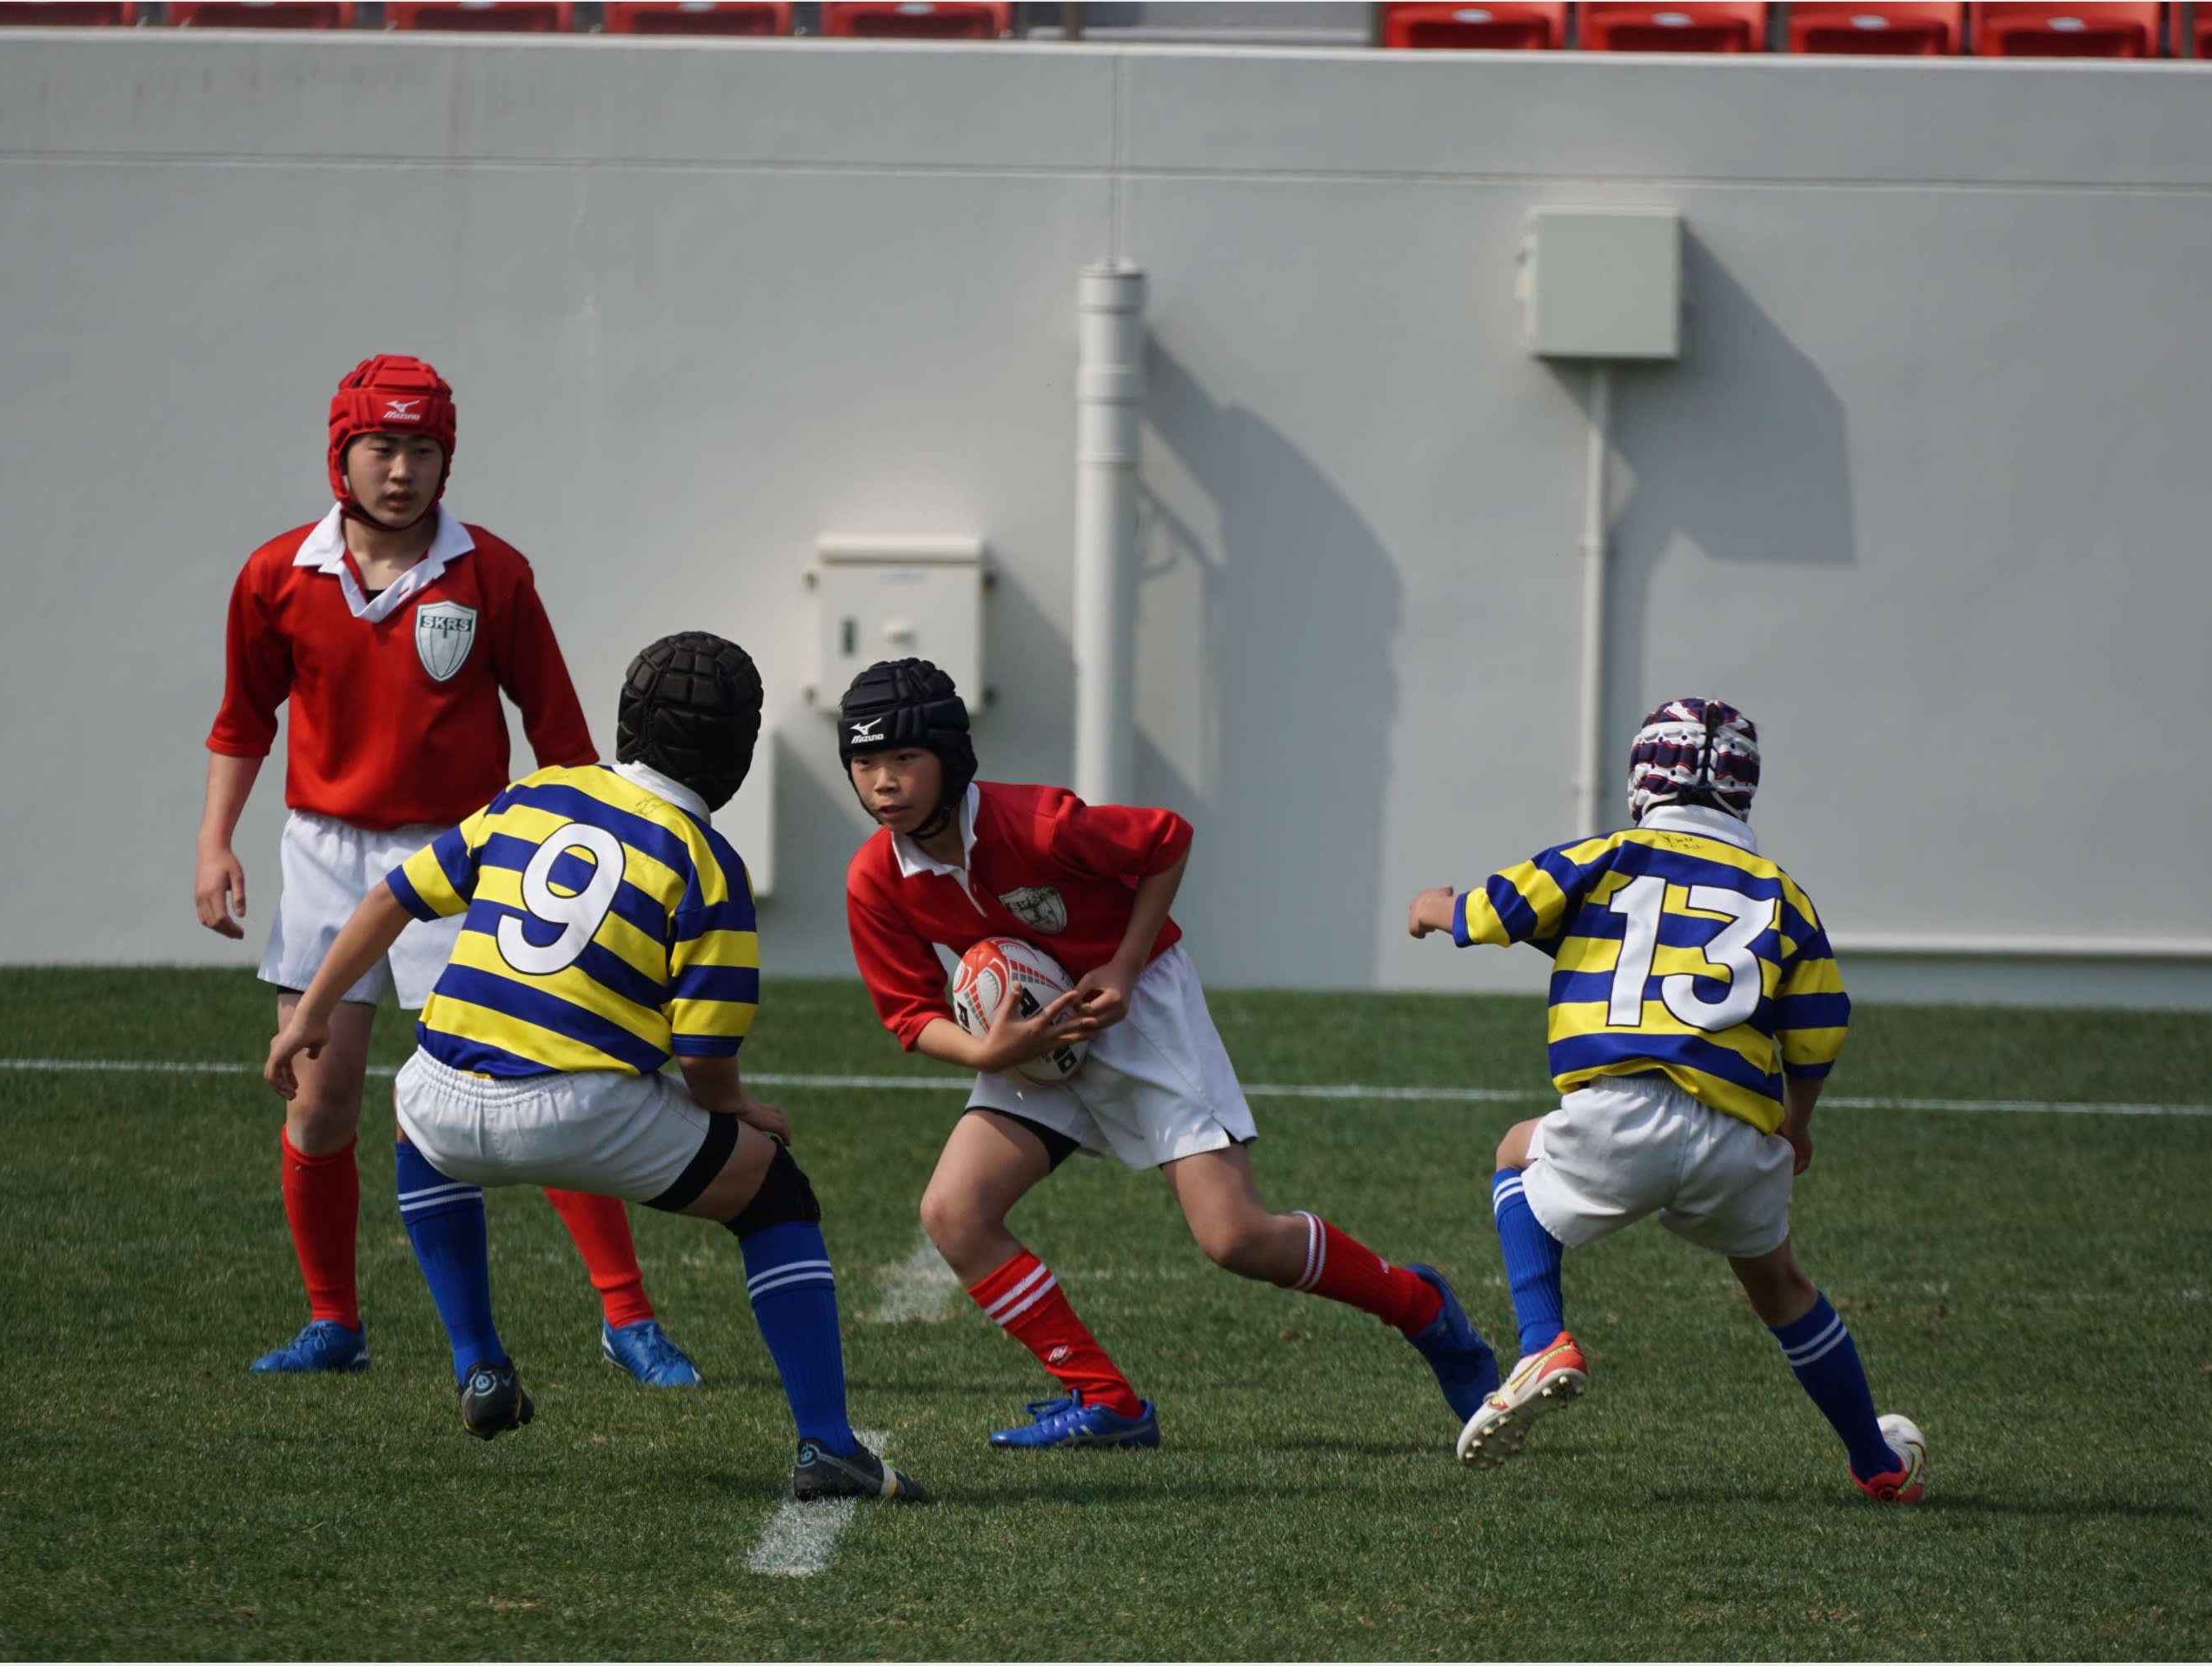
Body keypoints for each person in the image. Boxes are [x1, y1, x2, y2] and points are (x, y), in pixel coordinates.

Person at [263, 633, 927, 1503]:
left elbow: (391, 895)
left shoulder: (534, 794)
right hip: (584, 1111)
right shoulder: (703, 857)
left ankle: (479, 1363)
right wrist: (741, 1109)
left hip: (445, 1099)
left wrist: (311, 1011)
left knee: (413, 1119)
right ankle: (829, 1446)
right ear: (734, 751)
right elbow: (704, 1052)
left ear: (630, 722)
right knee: (776, 1197)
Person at [838, 658, 1499, 1450]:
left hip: (1141, 1009)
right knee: (953, 1213)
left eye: (903, 759)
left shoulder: (1038, 823)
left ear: (950, 755)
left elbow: (1166, 841)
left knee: (1236, 1239)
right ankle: (1106, 1399)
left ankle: (1422, 1308)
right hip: (1032, 1039)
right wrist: (992, 1048)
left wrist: (1121, 964)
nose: (883, 782)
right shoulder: (874, 878)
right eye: (864, 763)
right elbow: (909, 1015)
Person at [198, 354, 697, 1385]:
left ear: (447, 458)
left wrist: (595, 857)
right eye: (381, 446)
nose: (402, 470)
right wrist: (216, 842)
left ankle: (628, 1316)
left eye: (423, 448)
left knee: (538, 1084)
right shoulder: (274, 574)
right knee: (320, 1099)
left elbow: (558, 730)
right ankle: (335, 1322)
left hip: (473, 856)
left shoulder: (495, 573)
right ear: (341, 453)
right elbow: (245, 720)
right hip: (325, 855)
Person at [1407, 698, 1925, 1501]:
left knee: (1515, 1152)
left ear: (1642, 780)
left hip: (1618, 1111)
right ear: (1744, 793)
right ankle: (1875, 1462)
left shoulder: (1605, 854)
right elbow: (1821, 1028)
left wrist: (1432, 909)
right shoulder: (1779, 891)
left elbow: (1494, 911)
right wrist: (1797, 1126)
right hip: (1736, 1133)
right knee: (1780, 1284)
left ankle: (1543, 1341)